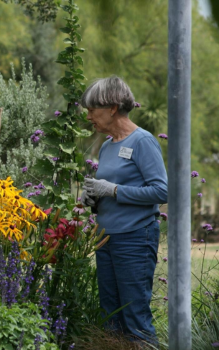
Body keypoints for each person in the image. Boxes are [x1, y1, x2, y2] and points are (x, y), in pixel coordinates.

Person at [80, 76, 167, 344]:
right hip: (106, 238)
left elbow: (161, 191)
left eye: (93, 110)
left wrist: (114, 190)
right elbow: (109, 189)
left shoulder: (143, 142)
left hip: (134, 239)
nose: (89, 116)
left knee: (134, 317)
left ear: (113, 107)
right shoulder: (107, 146)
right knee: (111, 317)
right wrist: (93, 197)